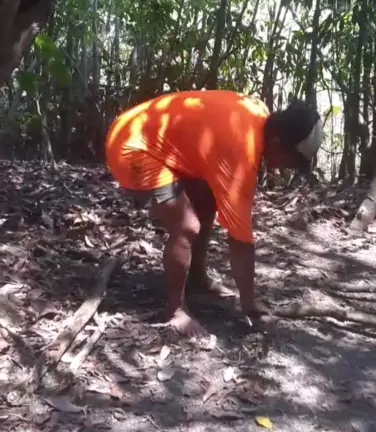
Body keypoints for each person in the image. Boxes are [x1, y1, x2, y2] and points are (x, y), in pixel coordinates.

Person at [105, 90, 322, 338]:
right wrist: (249, 304)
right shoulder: (241, 152)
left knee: (206, 202)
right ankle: (176, 310)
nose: (289, 168)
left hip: (144, 135)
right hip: (132, 146)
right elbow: (240, 242)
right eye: (293, 161)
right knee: (187, 226)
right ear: (277, 143)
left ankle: (196, 279)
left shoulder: (258, 114)